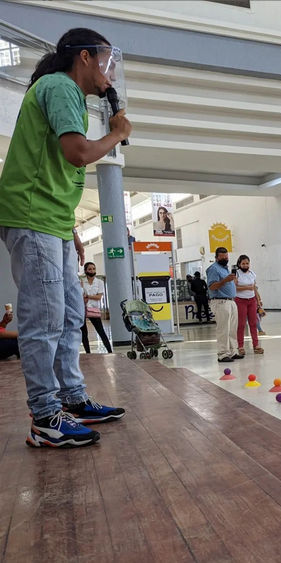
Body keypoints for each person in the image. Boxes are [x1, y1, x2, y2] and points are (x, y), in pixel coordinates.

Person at [0, 28, 130, 447]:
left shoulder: (66, 92)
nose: (111, 72)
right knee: (44, 319)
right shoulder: (59, 86)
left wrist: (71, 230)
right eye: (107, 62)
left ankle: (72, 399)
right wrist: (116, 133)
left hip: (54, 221)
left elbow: (53, 168)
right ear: (86, 58)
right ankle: (44, 417)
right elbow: (76, 152)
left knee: (72, 315)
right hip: (32, 216)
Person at [206, 247, 243, 363]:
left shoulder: (225, 268)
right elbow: (212, 286)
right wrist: (225, 281)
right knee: (223, 329)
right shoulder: (214, 269)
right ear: (217, 258)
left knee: (232, 329)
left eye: (226, 258)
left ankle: (232, 351)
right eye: (222, 258)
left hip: (231, 301)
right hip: (220, 301)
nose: (225, 260)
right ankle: (222, 354)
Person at [80, 262, 113, 354]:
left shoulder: (99, 282)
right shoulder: (82, 282)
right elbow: (79, 295)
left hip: (94, 309)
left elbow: (99, 297)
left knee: (101, 331)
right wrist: (86, 297)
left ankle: (110, 351)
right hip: (82, 308)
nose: (92, 271)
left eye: (94, 269)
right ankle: (88, 353)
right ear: (86, 270)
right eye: (90, 269)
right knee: (84, 333)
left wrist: (88, 296)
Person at [234, 255, 264, 355]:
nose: (245, 265)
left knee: (253, 323)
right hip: (240, 300)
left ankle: (256, 345)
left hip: (251, 300)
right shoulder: (236, 274)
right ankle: (241, 346)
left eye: (247, 263)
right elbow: (233, 288)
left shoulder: (252, 274)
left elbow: (254, 287)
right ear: (239, 264)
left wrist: (258, 299)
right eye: (243, 263)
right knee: (241, 324)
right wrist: (246, 288)